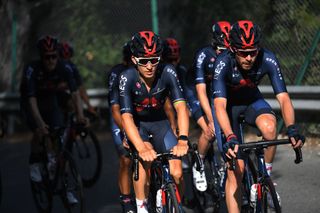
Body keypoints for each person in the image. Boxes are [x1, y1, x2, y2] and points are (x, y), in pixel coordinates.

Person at [212, 20, 305, 213]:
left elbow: (284, 98)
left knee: (271, 129)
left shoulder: (268, 58)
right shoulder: (223, 62)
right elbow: (219, 105)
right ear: (232, 49)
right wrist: (229, 135)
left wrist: (292, 128)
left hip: (252, 102)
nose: (249, 58)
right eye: (243, 53)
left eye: (253, 51)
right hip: (228, 108)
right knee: (235, 170)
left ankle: (266, 176)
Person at [119, 31, 189, 213]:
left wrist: (182, 139)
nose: (149, 66)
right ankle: (142, 206)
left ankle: (177, 205)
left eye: (154, 60)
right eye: (143, 61)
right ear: (134, 60)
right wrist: (141, 147)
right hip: (138, 126)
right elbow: (126, 117)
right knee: (145, 159)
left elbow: (181, 107)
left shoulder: (168, 72)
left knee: (177, 173)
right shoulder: (127, 77)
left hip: (161, 124)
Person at [19, 35, 87, 205]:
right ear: (41, 57)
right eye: (46, 57)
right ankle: (35, 164)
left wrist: (80, 114)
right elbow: (31, 99)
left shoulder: (65, 67)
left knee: (58, 135)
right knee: (39, 131)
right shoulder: (32, 69)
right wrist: (40, 125)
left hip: (50, 101)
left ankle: (64, 185)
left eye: (53, 56)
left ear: (58, 55)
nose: (50, 61)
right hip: (31, 102)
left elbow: (75, 92)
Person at [191, 21, 231, 201]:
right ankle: (198, 163)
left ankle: (225, 166)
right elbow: (200, 90)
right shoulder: (203, 55)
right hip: (199, 95)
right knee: (211, 130)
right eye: (222, 48)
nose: (225, 52)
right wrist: (210, 118)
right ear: (215, 43)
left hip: (218, 96)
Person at [107, 41, 136, 213]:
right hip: (119, 116)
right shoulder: (116, 74)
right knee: (126, 158)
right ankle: (126, 200)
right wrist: (126, 130)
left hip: (138, 114)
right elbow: (115, 109)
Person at [58, 41, 97, 115]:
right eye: (62, 58)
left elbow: (80, 87)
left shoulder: (72, 67)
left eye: (67, 58)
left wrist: (88, 105)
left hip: (64, 96)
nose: (65, 62)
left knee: (73, 102)